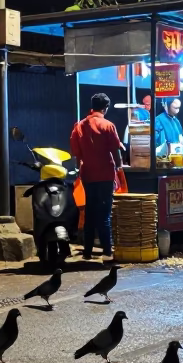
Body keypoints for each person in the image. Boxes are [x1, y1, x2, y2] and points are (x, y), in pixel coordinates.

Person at [69, 92, 123, 260]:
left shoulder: (79, 126)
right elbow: (115, 150)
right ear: (105, 108)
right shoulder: (108, 125)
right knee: (104, 214)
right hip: (106, 175)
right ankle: (107, 251)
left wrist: (79, 171)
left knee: (90, 213)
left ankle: (87, 252)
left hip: (88, 176)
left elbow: (77, 154)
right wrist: (120, 168)